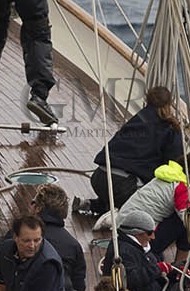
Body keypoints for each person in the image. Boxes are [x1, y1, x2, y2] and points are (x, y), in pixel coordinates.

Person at [75, 86, 184, 218]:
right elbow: (175, 164)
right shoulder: (171, 129)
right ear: (169, 104)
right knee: (153, 202)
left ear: (147, 100)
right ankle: (115, 217)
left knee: (118, 191)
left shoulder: (137, 119)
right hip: (123, 186)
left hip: (99, 177)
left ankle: (93, 205)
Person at [0, 183, 87, 291]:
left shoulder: (16, 237)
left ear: (37, 208)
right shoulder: (73, 245)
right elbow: (79, 286)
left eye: (33, 202)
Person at [100, 160, 190, 260]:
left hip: (120, 232)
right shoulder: (182, 188)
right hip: (138, 238)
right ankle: (180, 265)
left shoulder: (166, 178)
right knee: (187, 219)